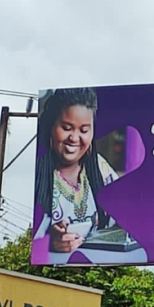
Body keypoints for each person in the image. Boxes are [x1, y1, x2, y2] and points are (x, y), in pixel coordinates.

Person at [34, 87, 118, 252]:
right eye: (66, 128)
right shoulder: (38, 175)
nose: (74, 138)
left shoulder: (101, 168)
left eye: (84, 130)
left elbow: (127, 214)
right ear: (51, 127)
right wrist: (47, 241)